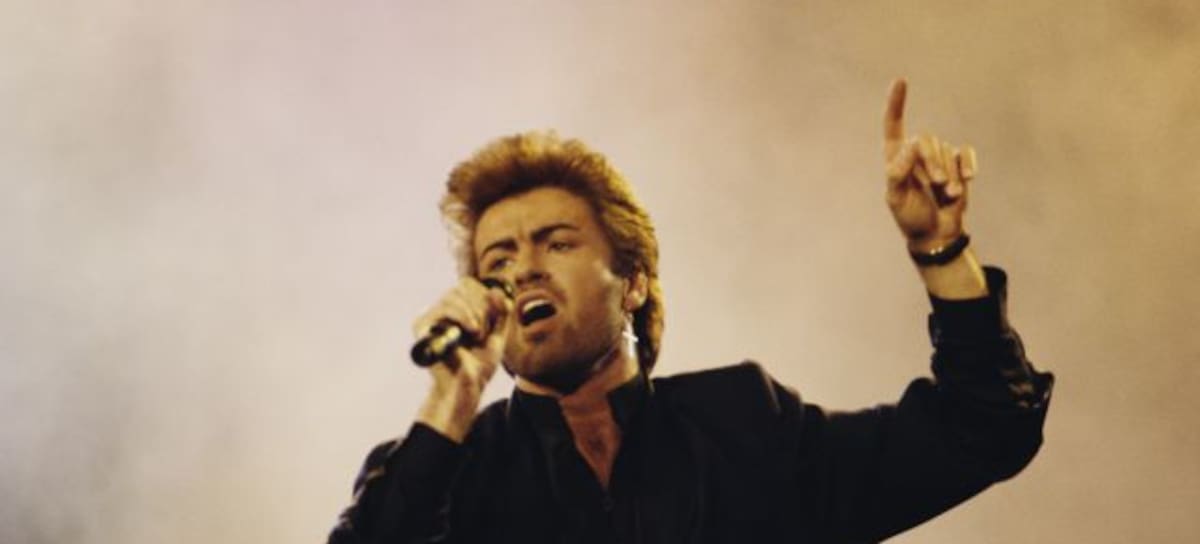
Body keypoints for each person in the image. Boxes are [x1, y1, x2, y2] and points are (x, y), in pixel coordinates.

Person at [327, 79, 1053, 543]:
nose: (524, 271)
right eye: (499, 262)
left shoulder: (744, 423)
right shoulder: (449, 471)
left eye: (557, 242)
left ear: (633, 283)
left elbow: (986, 430)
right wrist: (452, 397)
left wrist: (939, 250)